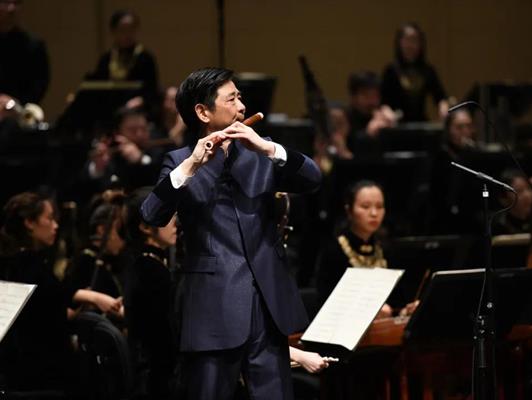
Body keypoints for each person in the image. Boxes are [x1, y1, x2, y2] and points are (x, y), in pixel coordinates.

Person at [141, 67, 322, 400]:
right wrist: (192, 165)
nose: (242, 106)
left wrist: (270, 149)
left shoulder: (260, 150)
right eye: (232, 99)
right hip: (213, 306)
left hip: (268, 303)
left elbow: (313, 179)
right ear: (203, 112)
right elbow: (152, 214)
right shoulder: (179, 161)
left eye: (240, 98)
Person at [0, 192, 122, 393]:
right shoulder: (23, 263)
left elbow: (42, 309)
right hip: (38, 373)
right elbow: (52, 293)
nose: (56, 225)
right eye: (49, 218)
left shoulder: (27, 260)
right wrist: (94, 297)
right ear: (29, 223)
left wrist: (75, 309)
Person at [316, 180, 402, 315]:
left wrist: (404, 310)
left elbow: (397, 301)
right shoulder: (334, 250)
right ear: (349, 210)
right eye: (365, 206)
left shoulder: (387, 249)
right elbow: (325, 302)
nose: (374, 213)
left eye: (379, 206)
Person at [125, 187, 178, 400]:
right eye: (168, 213)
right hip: (157, 384)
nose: (175, 221)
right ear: (145, 227)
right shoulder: (152, 272)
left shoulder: (145, 265)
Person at [88, 9, 159, 119]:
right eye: (123, 30)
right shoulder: (106, 59)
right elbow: (99, 88)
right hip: (110, 112)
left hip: (138, 112)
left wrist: (141, 100)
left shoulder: (145, 58)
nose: (128, 34)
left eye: (131, 29)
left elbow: (152, 90)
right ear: (114, 31)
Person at [381, 23, 448, 122]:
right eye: (407, 40)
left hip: (421, 122)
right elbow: (383, 102)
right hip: (396, 124)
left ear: (421, 44)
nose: (410, 45)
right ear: (399, 43)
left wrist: (444, 108)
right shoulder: (391, 70)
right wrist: (387, 113)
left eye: (414, 40)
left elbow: (440, 97)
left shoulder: (428, 70)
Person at [0, 0, 50, 110]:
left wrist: (15, 104)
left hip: (17, 113)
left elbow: (38, 86)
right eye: (5, 2)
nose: (11, 8)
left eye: (16, 3)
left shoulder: (33, 45)